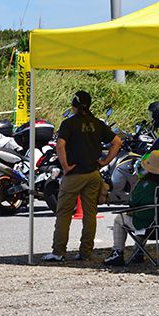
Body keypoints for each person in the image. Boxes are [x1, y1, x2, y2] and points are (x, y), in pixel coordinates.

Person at [42, 90, 122, 262]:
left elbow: (60, 145)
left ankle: (58, 252)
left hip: (74, 174)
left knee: (63, 212)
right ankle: (86, 252)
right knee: (90, 214)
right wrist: (105, 161)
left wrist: (65, 166)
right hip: (94, 173)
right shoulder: (97, 123)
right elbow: (117, 142)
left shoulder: (69, 124)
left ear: (74, 105)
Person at [103, 151, 159, 266]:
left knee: (121, 219)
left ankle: (117, 253)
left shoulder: (145, 184)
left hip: (148, 228)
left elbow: (132, 202)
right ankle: (137, 252)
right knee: (142, 215)